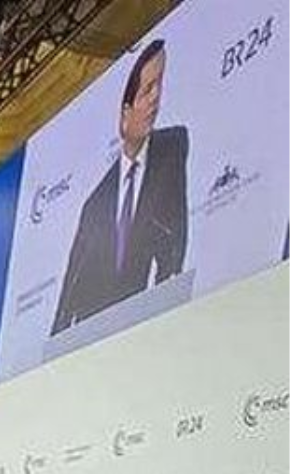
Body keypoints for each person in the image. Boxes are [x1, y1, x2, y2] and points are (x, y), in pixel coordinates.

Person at [51, 39, 190, 336]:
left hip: (140, 330)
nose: (156, 98)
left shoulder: (171, 148)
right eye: (147, 89)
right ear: (125, 114)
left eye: (159, 85)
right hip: (92, 337)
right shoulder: (94, 203)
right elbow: (69, 292)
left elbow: (175, 237)